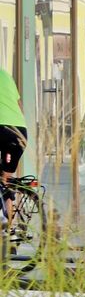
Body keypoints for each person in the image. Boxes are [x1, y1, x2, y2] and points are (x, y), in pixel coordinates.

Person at [0, 64, 26, 227]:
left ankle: (4, 222)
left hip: (1, 127)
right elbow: (19, 106)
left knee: (4, 179)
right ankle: (10, 230)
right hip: (20, 131)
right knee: (6, 180)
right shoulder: (6, 75)